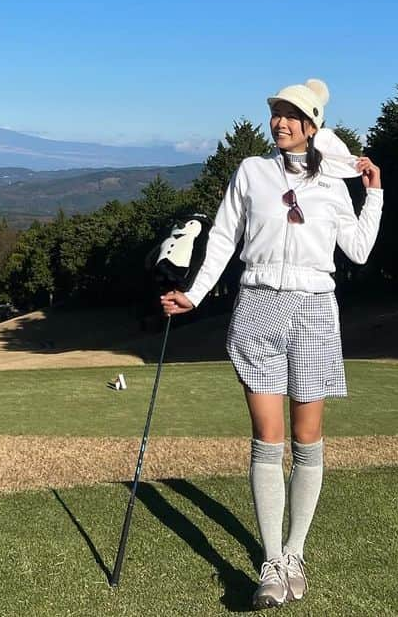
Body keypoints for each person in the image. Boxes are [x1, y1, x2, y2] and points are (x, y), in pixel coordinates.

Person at [160, 79, 383, 609]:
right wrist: (194, 293)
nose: (280, 123)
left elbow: (358, 250)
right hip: (258, 305)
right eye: (276, 114)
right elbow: (222, 237)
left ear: (313, 125)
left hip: (315, 310)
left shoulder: (334, 182)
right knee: (268, 436)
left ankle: (296, 553)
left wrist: (373, 192)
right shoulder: (251, 172)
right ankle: (272, 562)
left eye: (291, 115)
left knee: (307, 439)